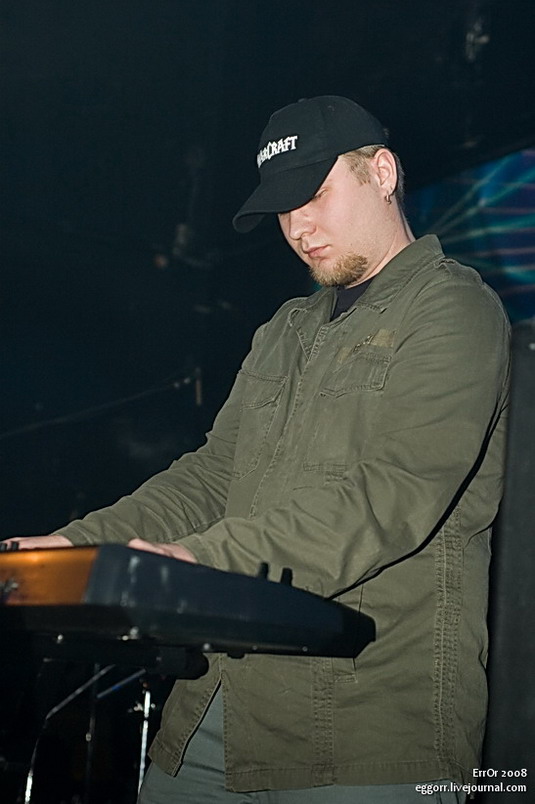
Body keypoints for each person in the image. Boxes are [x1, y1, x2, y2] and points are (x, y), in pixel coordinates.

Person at [9, 96, 510, 803]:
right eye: (282, 208)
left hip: (364, 730)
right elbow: (211, 478)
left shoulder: (452, 308)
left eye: (315, 194)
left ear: (382, 173)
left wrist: (197, 564)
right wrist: (73, 547)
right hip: (213, 711)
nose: (298, 227)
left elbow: (392, 493)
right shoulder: (284, 330)